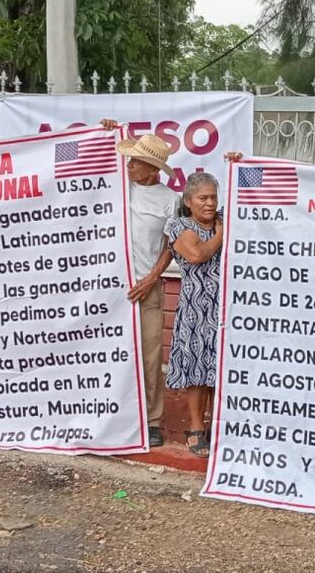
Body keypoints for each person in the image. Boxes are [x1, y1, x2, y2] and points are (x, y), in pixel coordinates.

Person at [116, 131, 179, 448]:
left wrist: (153, 277)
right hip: (111, 287)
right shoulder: (117, 186)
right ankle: (117, 412)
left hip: (148, 287)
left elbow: (170, 246)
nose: (129, 166)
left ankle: (152, 420)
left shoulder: (170, 200)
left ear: (152, 169)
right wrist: (105, 130)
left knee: (150, 356)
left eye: (136, 162)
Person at [165, 172, 224, 458]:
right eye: (203, 198)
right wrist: (222, 234)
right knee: (196, 371)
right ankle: (196, 427)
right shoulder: (180, 226)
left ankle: (216, 424)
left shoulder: (224, 217)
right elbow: (197, 255)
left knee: (218, 368)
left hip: (224, 307)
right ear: (189, 202)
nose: (210, 203)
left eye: (213, 197)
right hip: (195, 309)